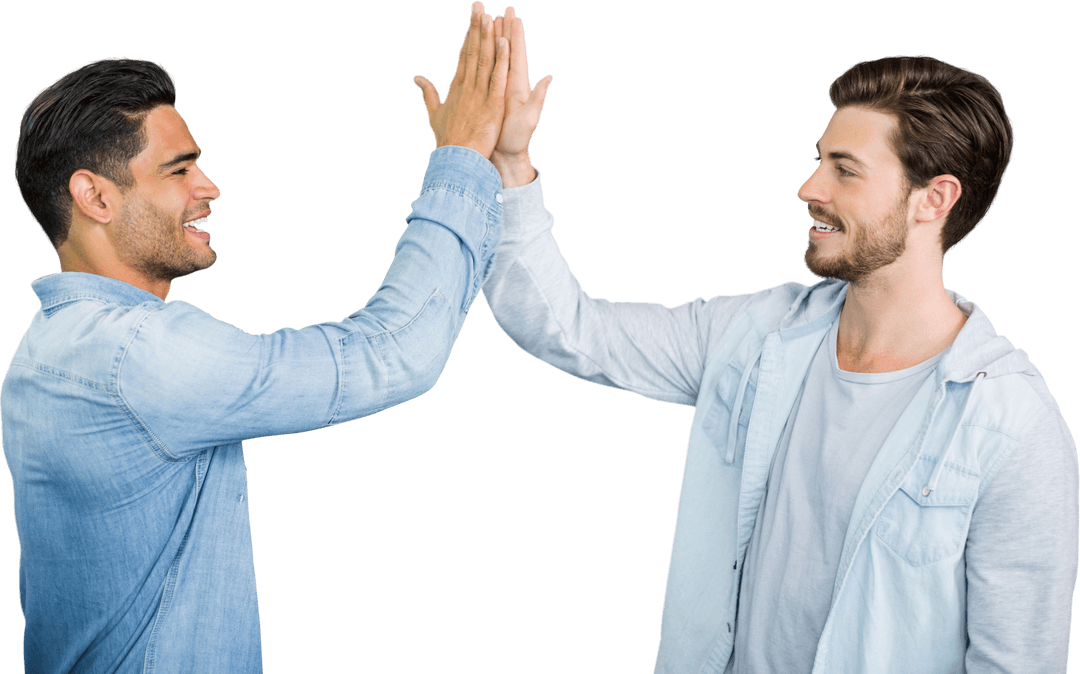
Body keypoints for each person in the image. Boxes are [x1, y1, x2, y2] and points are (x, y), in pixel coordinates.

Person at [478, 30, 1079, 674]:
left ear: (934, 199)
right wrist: (511, 167)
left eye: (845, 170)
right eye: (820, 160)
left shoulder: (1014, 429)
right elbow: (572, 331)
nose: (810, 187)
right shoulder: (755, 332)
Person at [0, 3, 511, 671]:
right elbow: (393, 353)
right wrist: (464, 159)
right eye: (178, 170)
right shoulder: (139, 355)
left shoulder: (44, 350)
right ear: (95, 198)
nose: (209, 187)